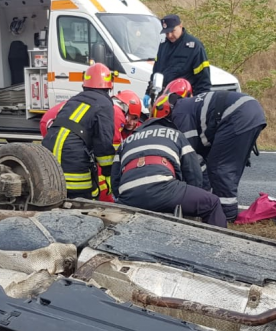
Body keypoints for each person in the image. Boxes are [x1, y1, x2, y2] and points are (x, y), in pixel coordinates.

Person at [169, 89, 267, 221]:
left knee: (220, 168)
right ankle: (222, 209)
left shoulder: (180, 114)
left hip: (238, 115)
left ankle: (226, 216)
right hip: (250, 112)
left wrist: (197, 196)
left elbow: (192, 158)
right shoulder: (188, 105)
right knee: (220, 167)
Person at [111, 119, 226, 228]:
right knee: (212, 203)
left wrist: (123, 198)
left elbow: (115, 180)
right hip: (165, 188)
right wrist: (190, 194)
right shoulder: (175, 134)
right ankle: (219, 244)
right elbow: (193, 171)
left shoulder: (126, 141)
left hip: (128, 195)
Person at [41, 63, 116, 200]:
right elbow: (104, 142)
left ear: (84, 84)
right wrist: (109, 173)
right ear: (110, 86)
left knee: (54, 196)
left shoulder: (74, 100)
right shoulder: (105, 105)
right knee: (84, 201)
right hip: (72, 156)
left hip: (48, 152)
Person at [148, 14, 210, 105]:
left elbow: (203, 80)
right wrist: (148, 93)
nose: (169, 35)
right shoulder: (163, 45)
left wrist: (199, 103)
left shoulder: (194, 47)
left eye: (172, 31)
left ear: (180, 26)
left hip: (184, 100)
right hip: (162, 100)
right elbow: (156, 72)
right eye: (166, 32)